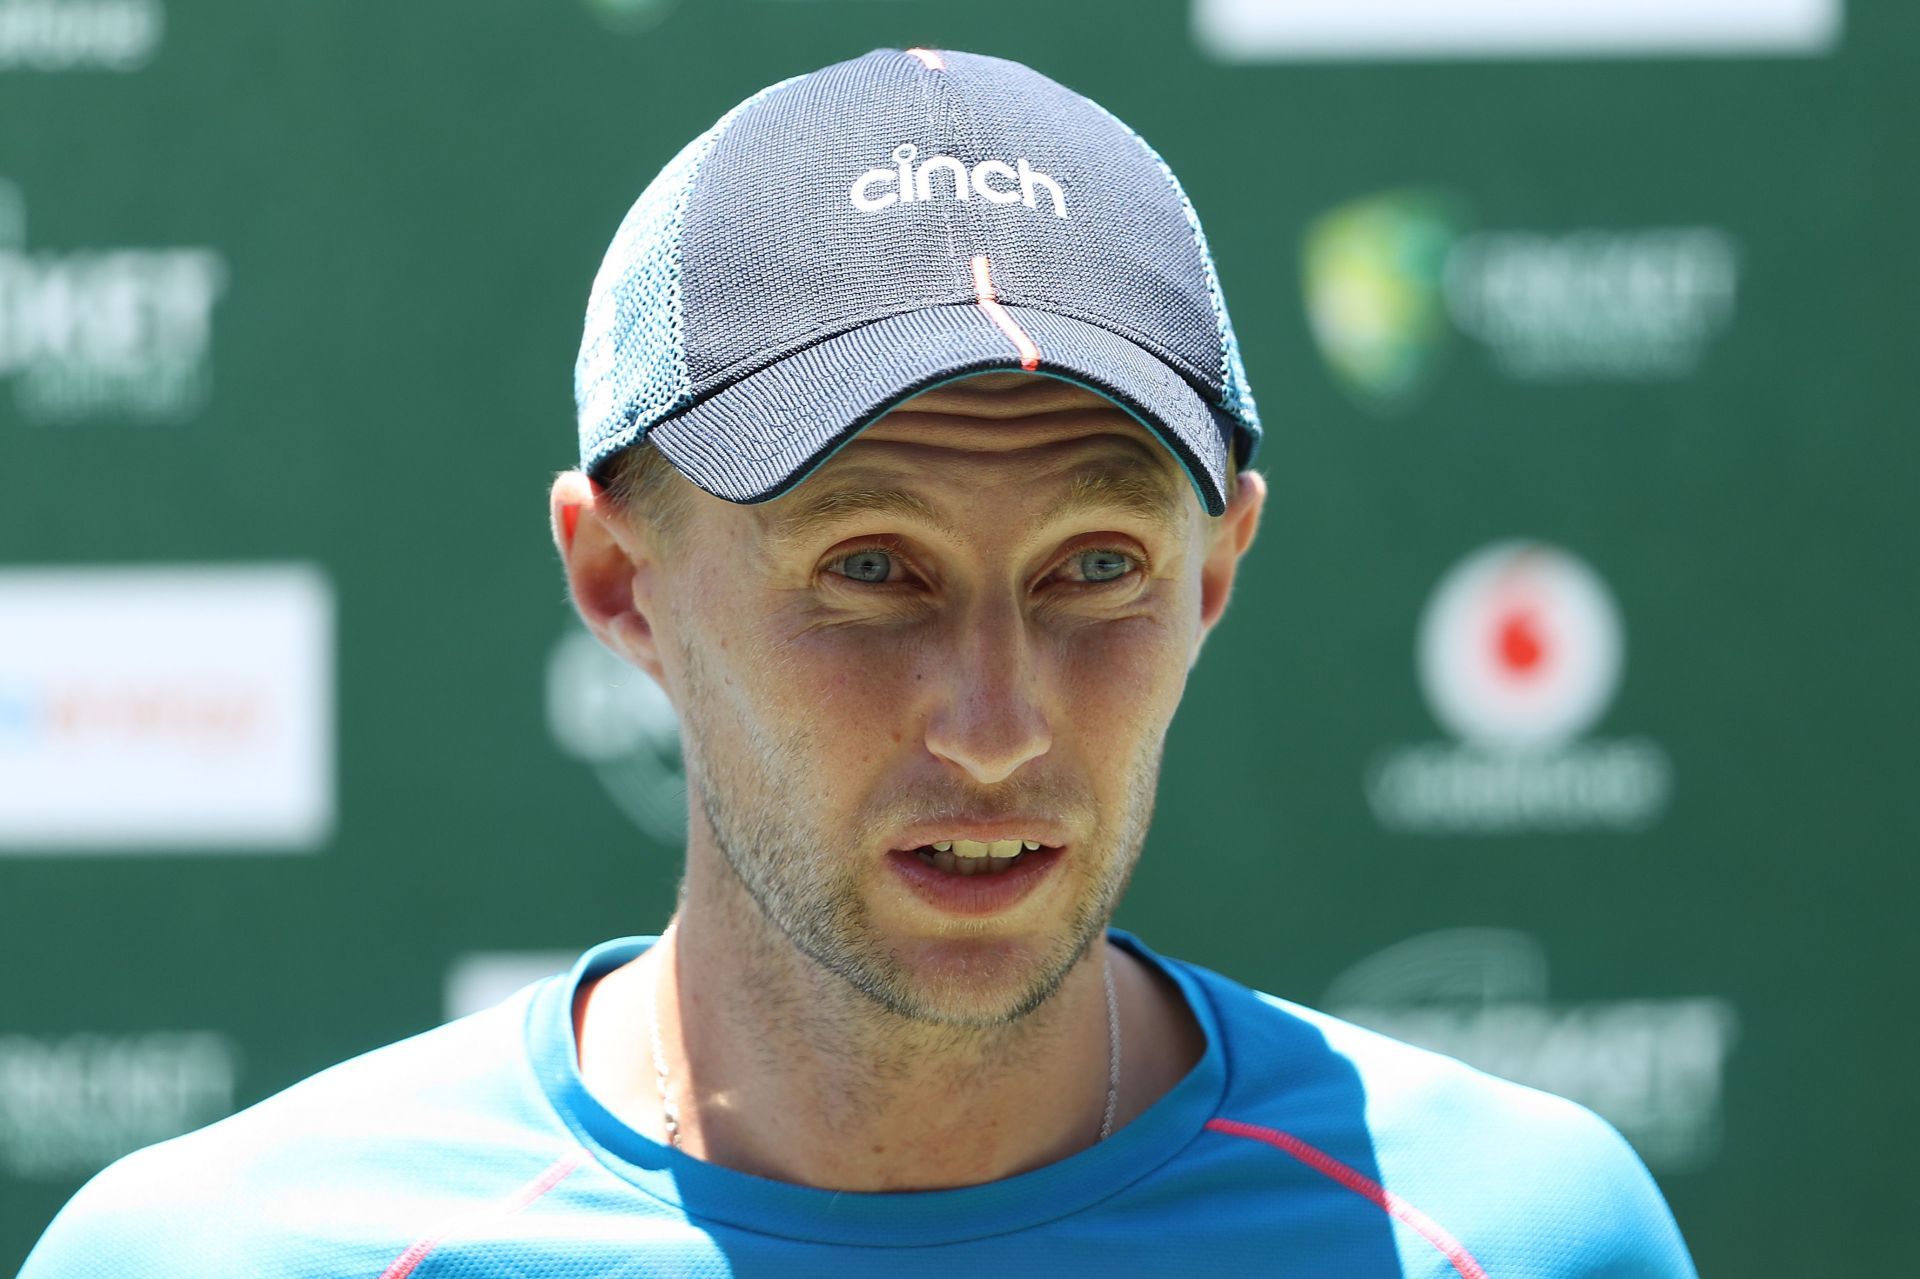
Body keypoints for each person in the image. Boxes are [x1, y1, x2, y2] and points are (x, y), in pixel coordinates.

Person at [22, 47, 1697, 1277]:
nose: (992, 723)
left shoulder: (1521, 1237)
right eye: (873, 570)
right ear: (621, 581)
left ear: (1214, 578)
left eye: (1095, 569)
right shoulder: (220, 1258)